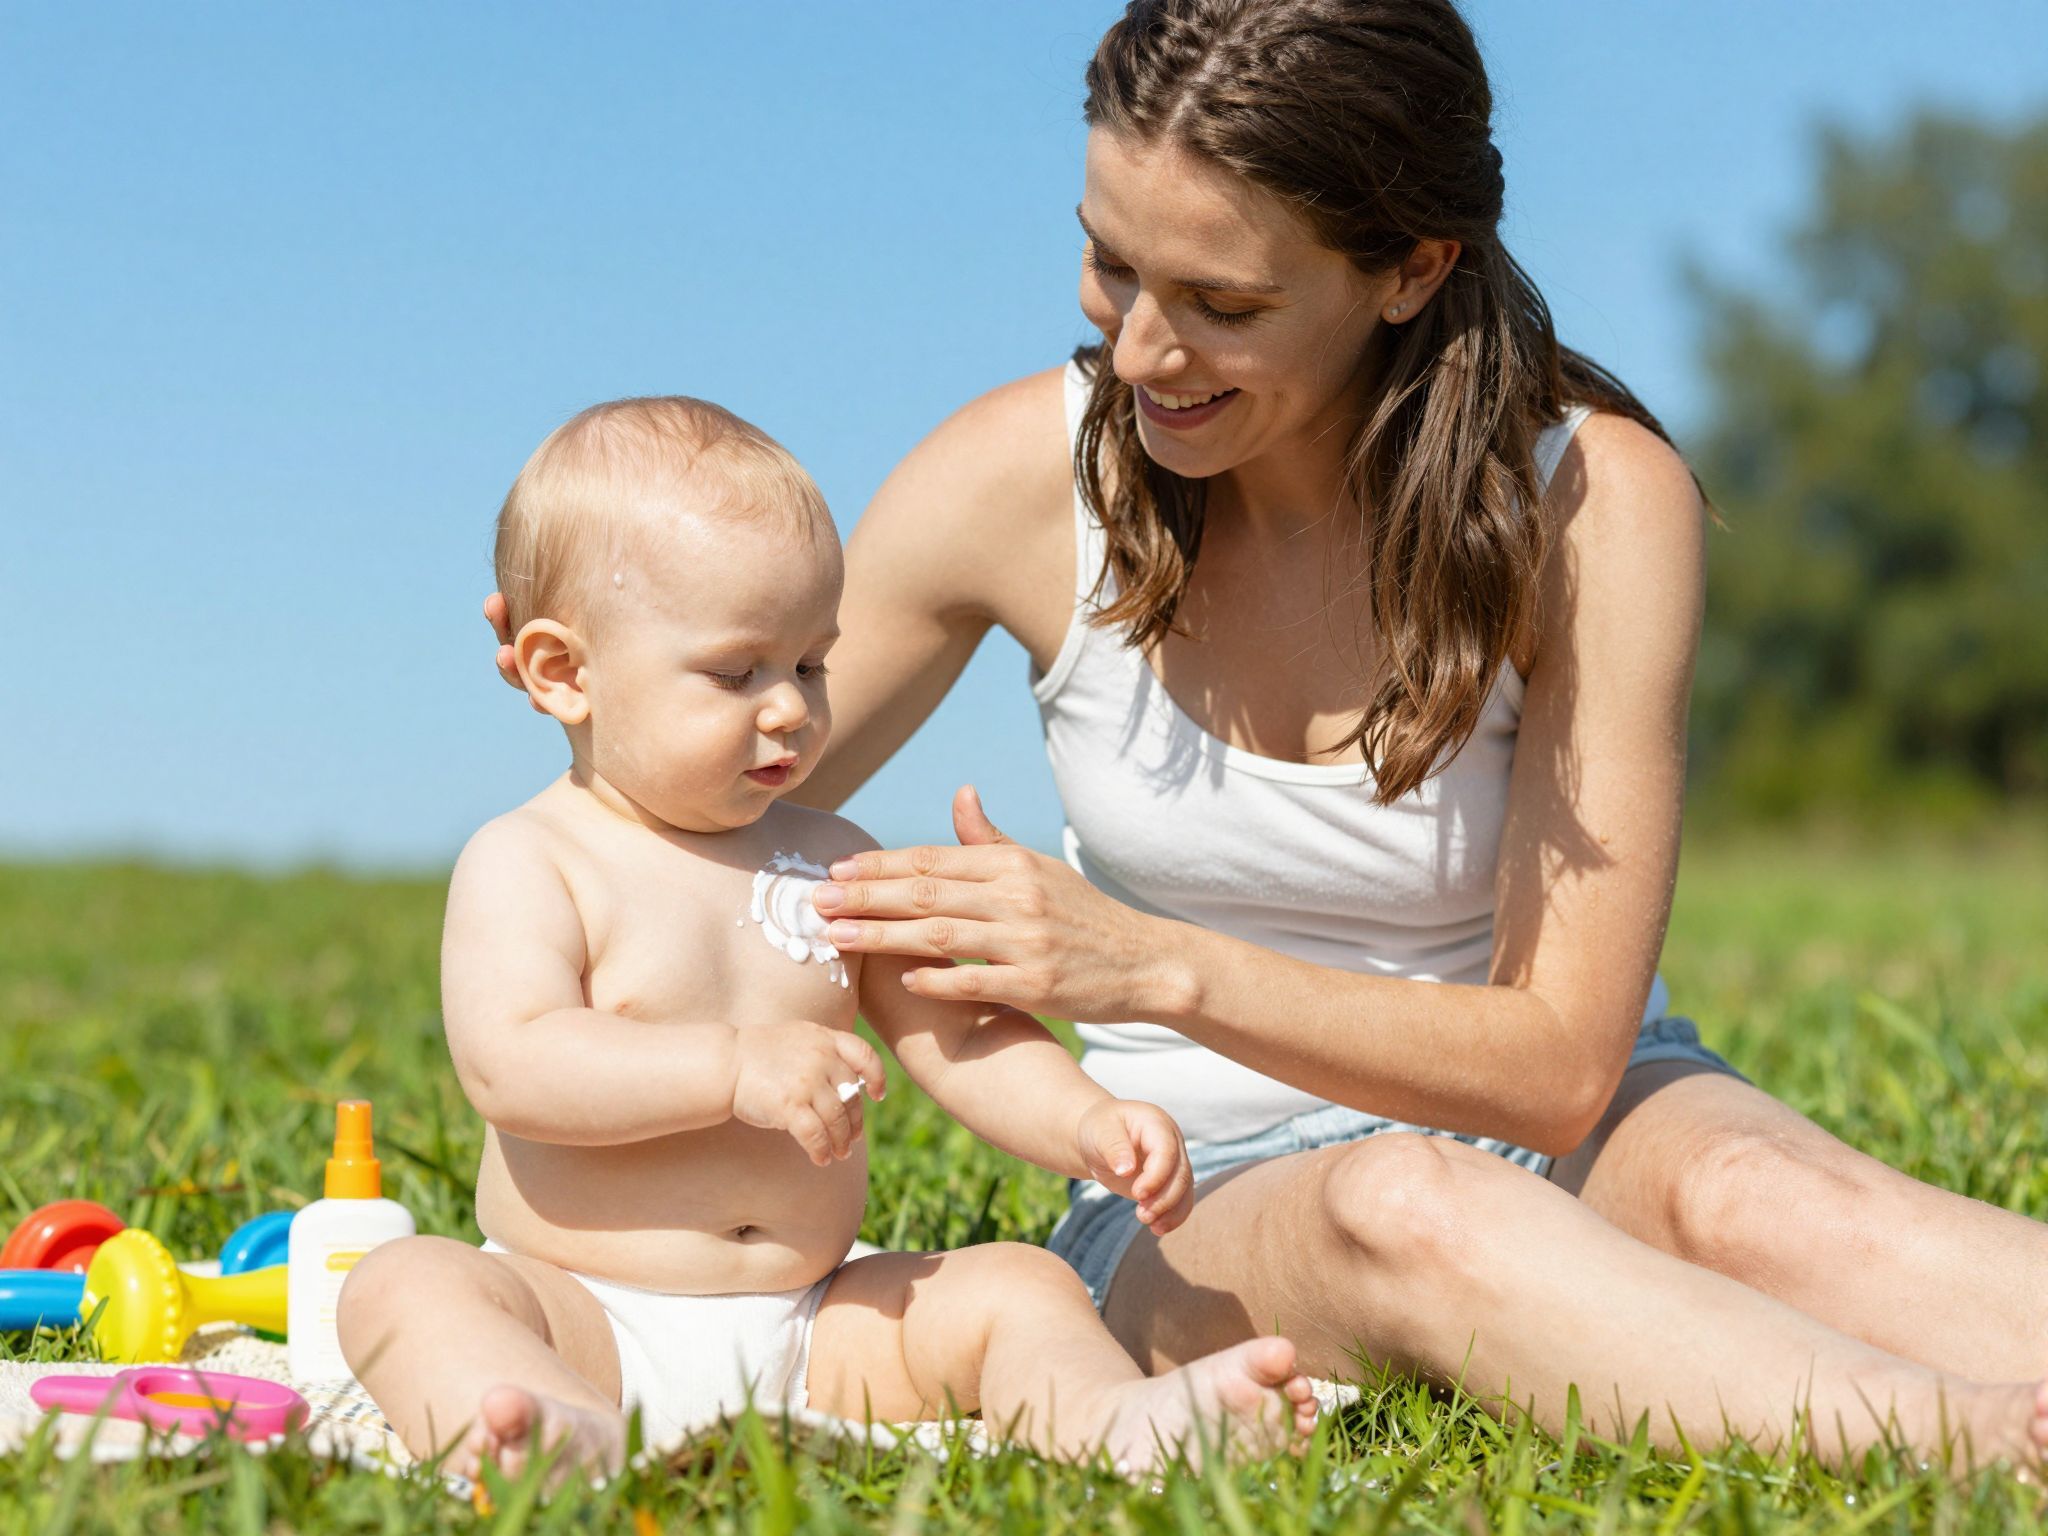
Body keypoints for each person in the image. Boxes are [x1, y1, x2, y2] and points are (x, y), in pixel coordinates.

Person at [489, 2, 2048, 1468]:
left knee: (1748, 1193)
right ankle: (1969, 1446)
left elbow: (1564, 1068)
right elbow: (667, 817)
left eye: (1222, 303)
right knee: (1404, 1205)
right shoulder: (1017, 481)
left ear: (1413, 267)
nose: (1145, 352)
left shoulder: (1591, 499)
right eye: (1111, 269)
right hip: (1207, 1184)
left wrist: (1144, 962)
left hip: (1571, 1108)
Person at [350, 395, 1321, 1482]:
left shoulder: (830, 859)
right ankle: (544, 1427)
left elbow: (955, 1034)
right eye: (736, 672)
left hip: (812, 1322)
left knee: (1013, 1286)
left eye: (811, 665)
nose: (789, 710)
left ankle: (1117, 1422)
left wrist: (1085, 1124)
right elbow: (513, 1064)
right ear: (562, 673)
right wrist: (729, 1068)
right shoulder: (534, 858)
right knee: (407, 1287)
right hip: (584, 1313)